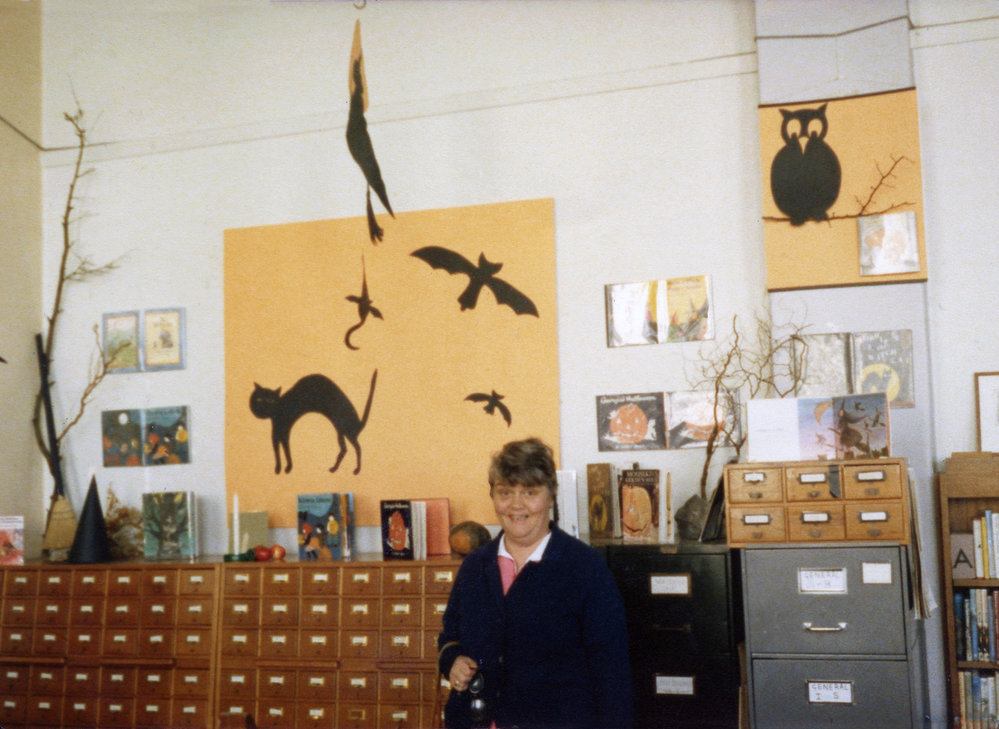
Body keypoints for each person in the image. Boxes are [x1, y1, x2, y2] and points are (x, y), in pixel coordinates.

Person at [437, 438, 634, 729]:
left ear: (551, 497)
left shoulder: (585, 568)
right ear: (493, 497)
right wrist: (452, 661)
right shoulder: (474, 567)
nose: (516, 505)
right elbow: (449, 637)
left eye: (530, 492)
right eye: (505, 492)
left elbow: (612, 674)